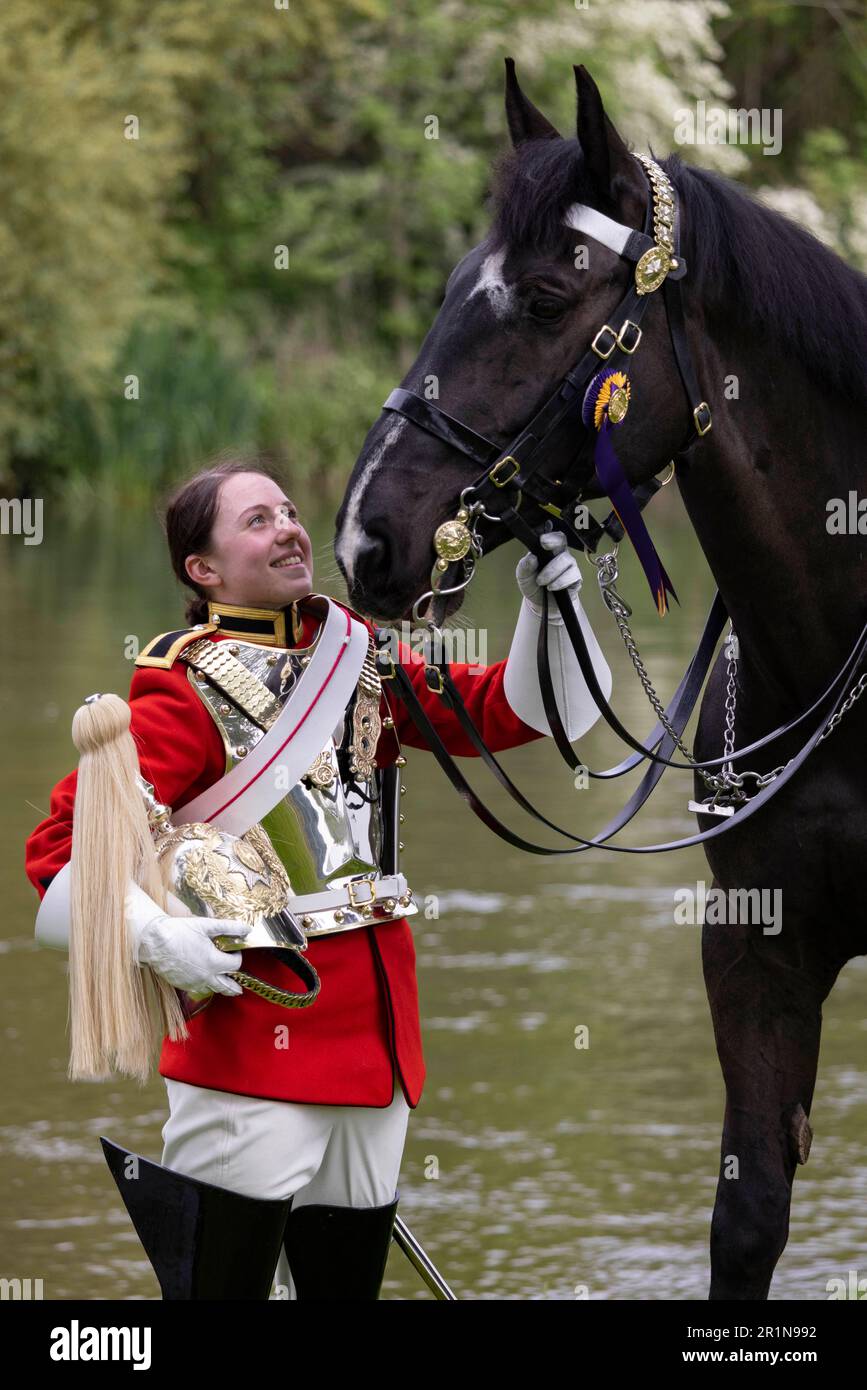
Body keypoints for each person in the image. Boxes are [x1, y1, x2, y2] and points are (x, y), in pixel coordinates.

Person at [24, 454, 612, 1300]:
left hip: (376, 1047)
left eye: (290, 511)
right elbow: (58, 854)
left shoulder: (356, 652)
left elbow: (510, 715)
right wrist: (155, 938)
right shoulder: (181, 689)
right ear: (204, 568)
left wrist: (549, 600)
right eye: (256, 520)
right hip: (256, 1043)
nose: (289, 528)